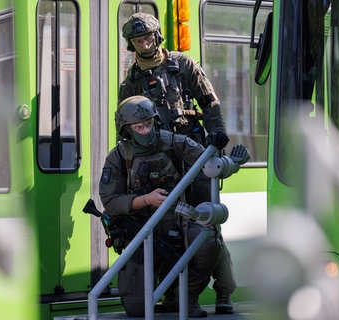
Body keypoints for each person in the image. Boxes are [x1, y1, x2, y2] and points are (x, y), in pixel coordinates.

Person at [118, 12, 237, 314]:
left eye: (148, 37)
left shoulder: (183, 65)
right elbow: (125, 125)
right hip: (158, 165)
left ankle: (224, 292)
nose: (144, 44)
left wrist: (218, 134)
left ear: (157, 37)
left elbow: (210, 102)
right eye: (137, 40)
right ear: (132, 45)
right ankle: (175, 294)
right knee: (165, 231)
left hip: (194, 157)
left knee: (207, 225)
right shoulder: (131, 81)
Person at [99, 96, 228, 318]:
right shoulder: (119, 156)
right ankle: (170, 296)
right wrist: (146, 200)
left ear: (155, 121)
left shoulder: (175, 142)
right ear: (126, 129)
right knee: (137, 309)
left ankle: (186, 298)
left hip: (178, 224)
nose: (145, 130)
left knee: (208, 239)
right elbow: (110, 200)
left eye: (148, 123)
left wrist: (218, 150)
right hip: (140, 232)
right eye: (138, 126)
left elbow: (208, 161)